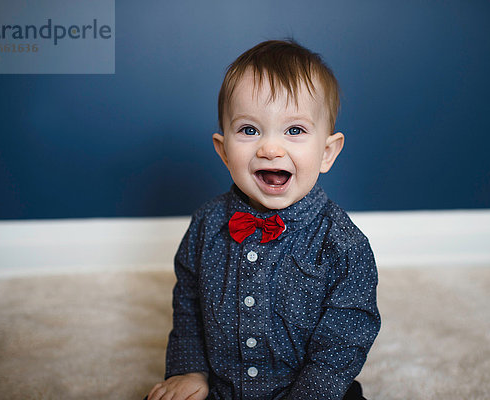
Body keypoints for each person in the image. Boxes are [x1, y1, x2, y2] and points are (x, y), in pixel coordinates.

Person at [147, 39, 380, 400]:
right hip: (222, 387)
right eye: (250, 130)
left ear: (327, 152)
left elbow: (346, 334)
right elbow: (188, 302)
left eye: (295, 130)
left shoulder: (344, 244)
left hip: (311, 389)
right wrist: (188, 370)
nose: (270, 149)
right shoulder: (207, 225)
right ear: (224, 151)